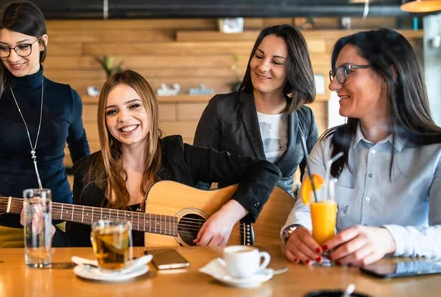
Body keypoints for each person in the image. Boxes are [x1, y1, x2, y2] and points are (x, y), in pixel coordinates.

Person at [282, 28, 441, 266]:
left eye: (346, 72)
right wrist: (295, 231)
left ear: (388, 75)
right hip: (338, 289)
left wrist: (389, 239)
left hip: (409, 294)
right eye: (335, 74)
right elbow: (307, 208)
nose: (333, 85)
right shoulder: (328, 146)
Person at [66, 70, 281, 247]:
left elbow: (266, 170)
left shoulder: (180, 156)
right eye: (112, 112)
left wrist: (228, 216)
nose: (123, 118)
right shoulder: (88, 171)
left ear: (150, 108)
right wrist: (48, 233)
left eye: (134, 106)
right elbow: (76, 247)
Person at [0, 0, 90, 247]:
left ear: (42, 42)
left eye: (23, 47)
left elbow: (83, 161)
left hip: (59, 225)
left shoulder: (67, 97)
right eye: (3, 48)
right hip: (2, 225)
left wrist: (81, 213)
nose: (12, 57)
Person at [194, 24, 318, 196]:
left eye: (276, 62)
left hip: (284, 219)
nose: (262, 66)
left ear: (293, 69)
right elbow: (199, 176)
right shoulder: (221, 108)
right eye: (259, 56)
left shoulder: (306, 117)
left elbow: (314, 181)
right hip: (232, 220)